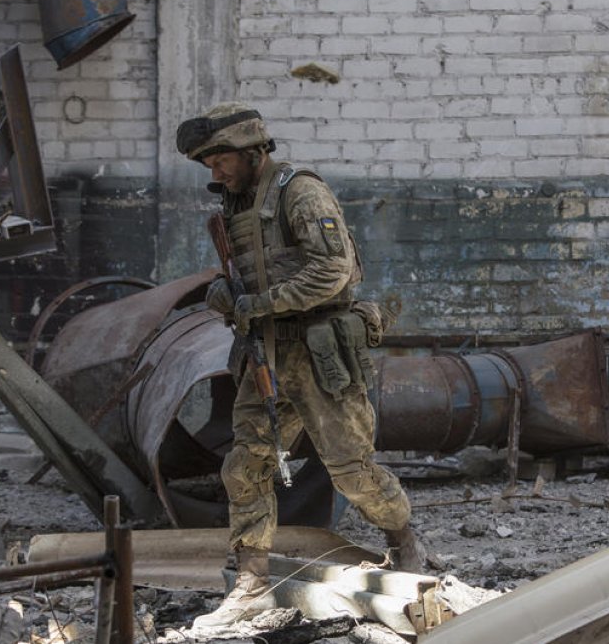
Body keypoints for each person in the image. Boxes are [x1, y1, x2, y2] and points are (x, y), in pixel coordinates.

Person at [175, 102, 425, 629]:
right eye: (207, 164)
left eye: (219, 159)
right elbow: (244, 276)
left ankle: (403, 544)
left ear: (249, 149)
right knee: (246, 466)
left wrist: (261, 304)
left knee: (351, 471)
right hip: (262, 355)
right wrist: (225, 294)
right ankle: (251, 580)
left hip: (318, 352)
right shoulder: (234, 205)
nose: (214, 172)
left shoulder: (299, 191)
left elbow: (333, 272)